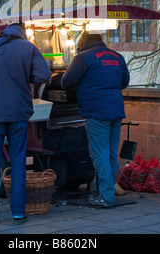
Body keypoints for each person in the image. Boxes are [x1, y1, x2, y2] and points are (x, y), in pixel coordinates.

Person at [0, 22, 52, 225]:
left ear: (4, 32)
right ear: (23, 34)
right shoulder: (29, 48)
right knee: (18, 163)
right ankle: (18, 214)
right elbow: (44, 75)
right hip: (18, 113)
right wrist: (24, 77)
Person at [61, 31, 130, 208]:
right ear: (101, 41)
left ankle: (106, 196)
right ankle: (105, 190)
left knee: (99, 155)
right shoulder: (117, 57)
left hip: (97, 112)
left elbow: (66, 82)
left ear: (83, 42)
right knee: (110, 154)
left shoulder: (83, 57)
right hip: (116, 111)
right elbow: (124, 82)